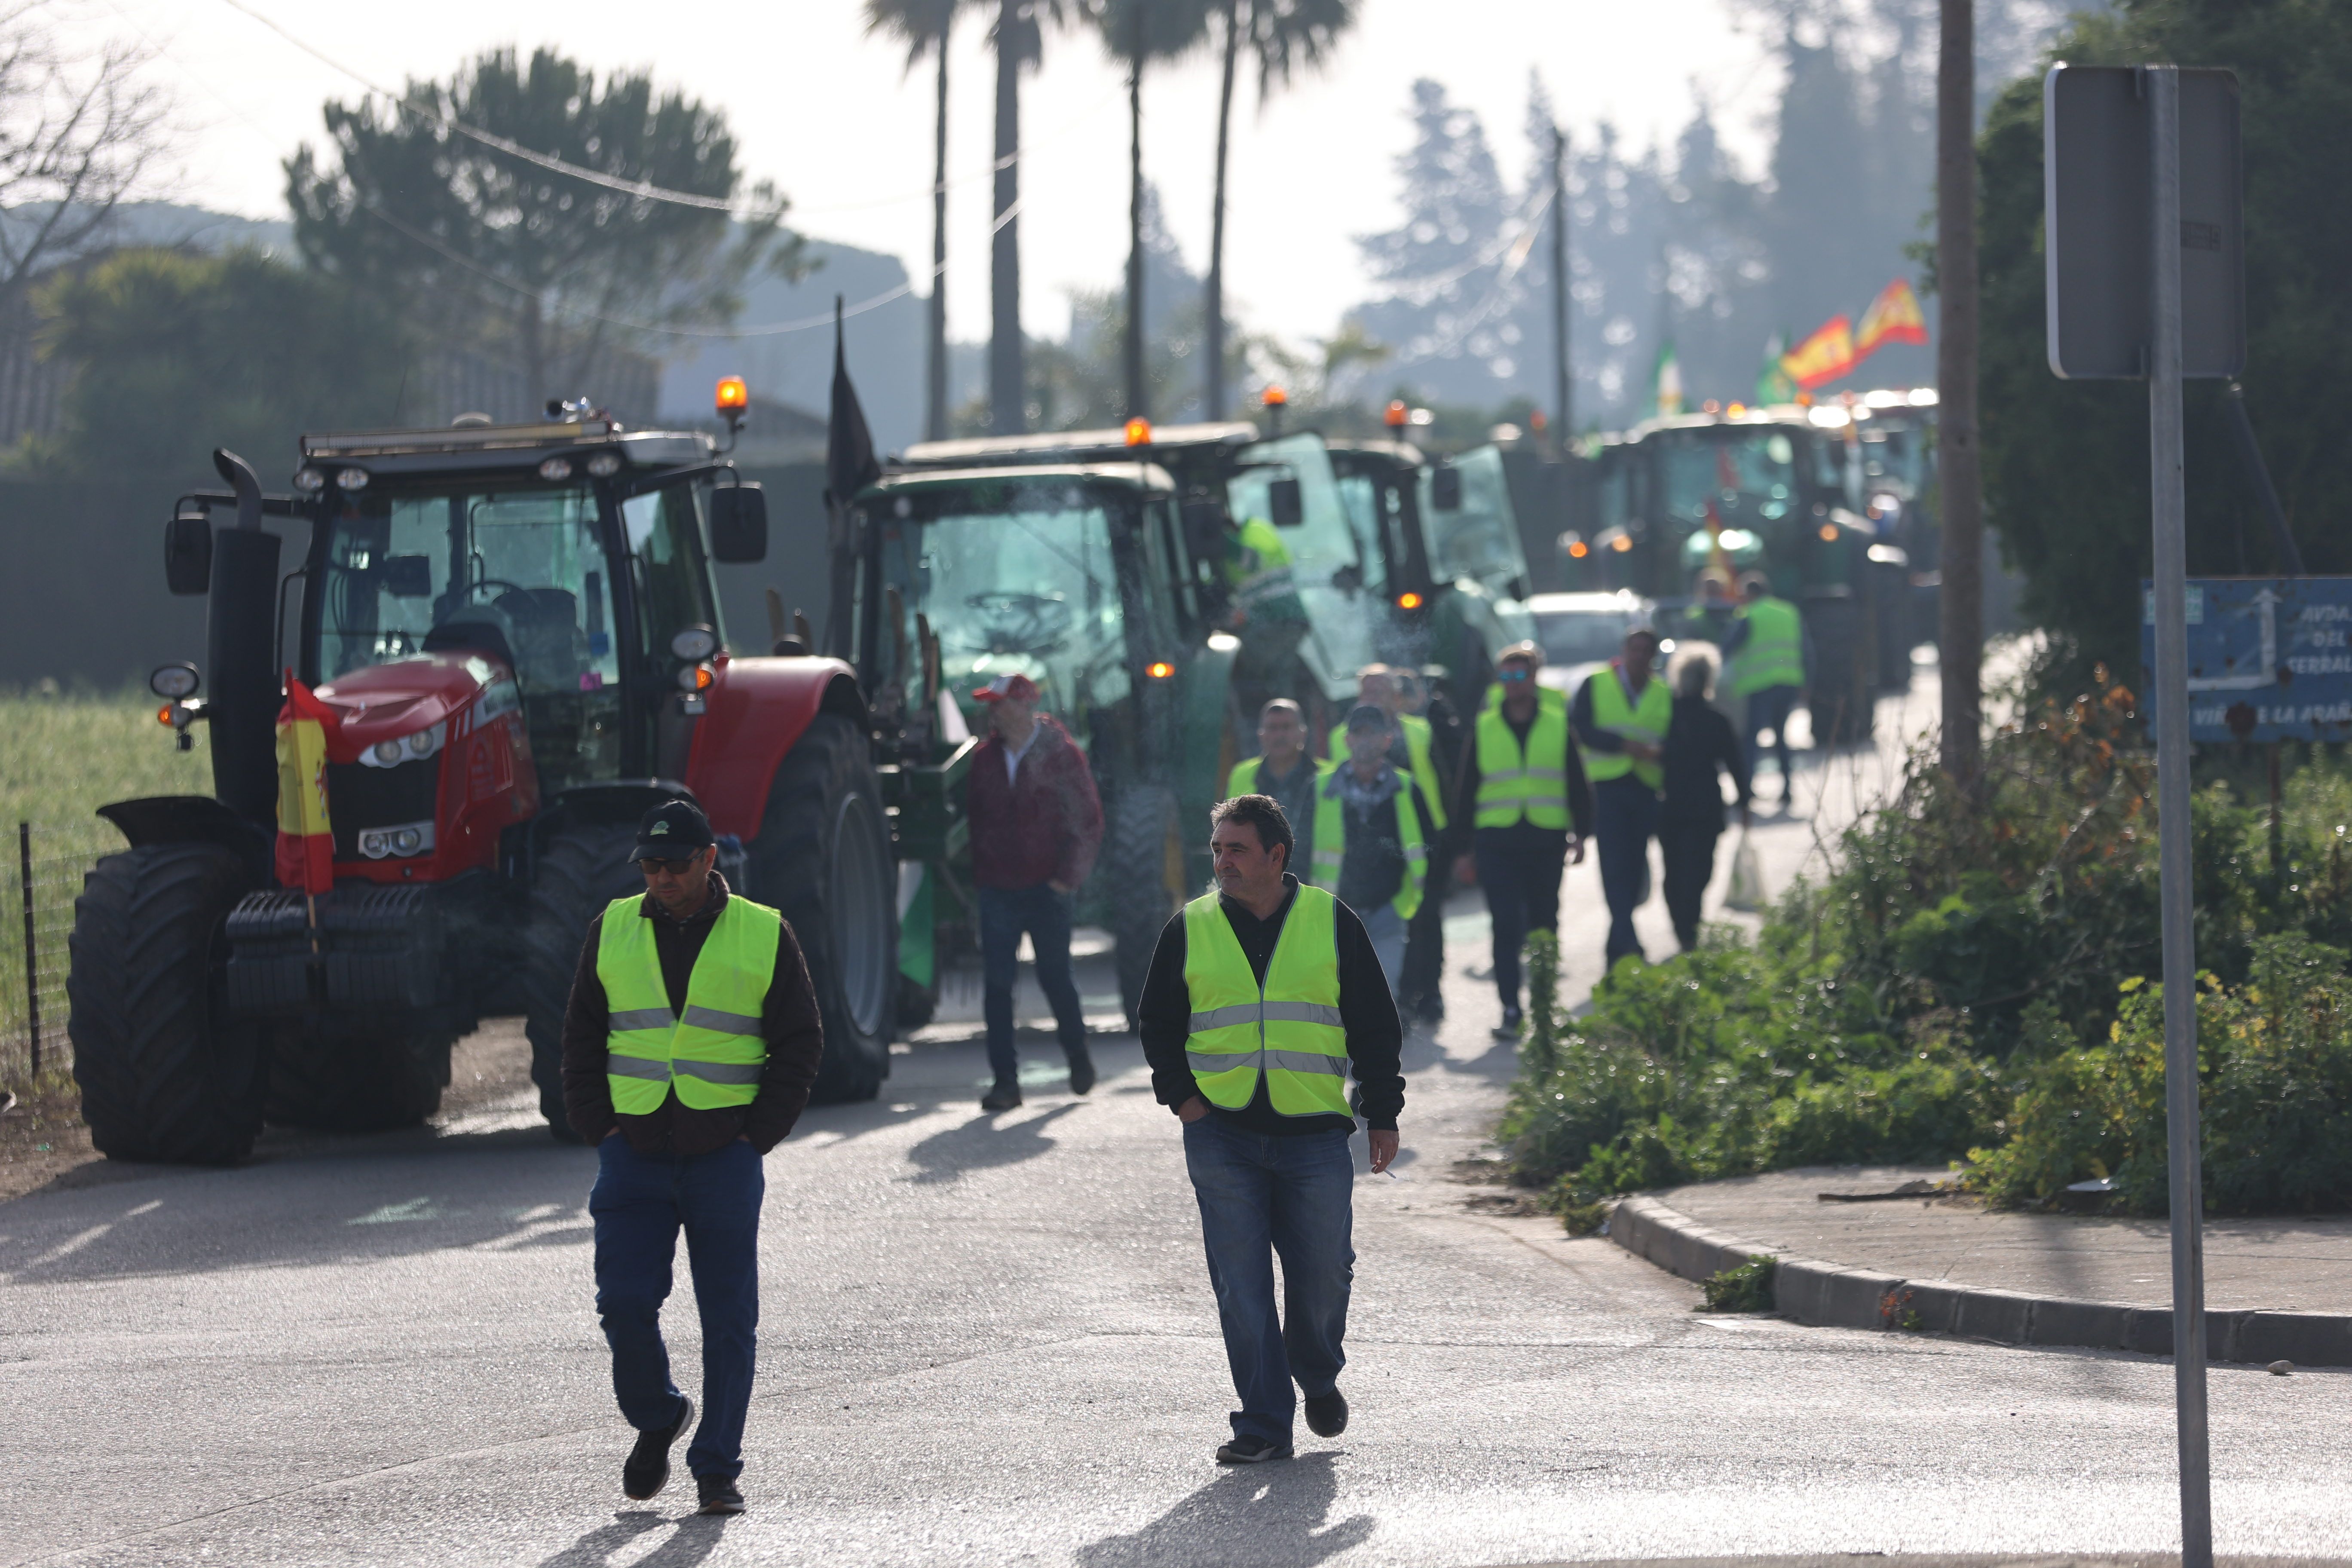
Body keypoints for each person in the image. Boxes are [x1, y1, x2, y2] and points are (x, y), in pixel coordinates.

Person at [561, 797, 827, 1517]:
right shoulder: (610, 928)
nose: (661, 878)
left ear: (709, 860)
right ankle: (657, 1414)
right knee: (622, 1302)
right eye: (650, 866)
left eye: (675, 864)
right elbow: (581, 1040)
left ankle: (716, 1468)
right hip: (634, 1154)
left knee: (727, 1318)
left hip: (723, 1156)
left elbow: (801, 1041)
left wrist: (756, 1135)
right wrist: (601, 1128)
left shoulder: (763, 932)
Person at [1137, 794, 1405, 1464]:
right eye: (1218, 849)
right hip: (1221, 1135)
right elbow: (1157, 1024)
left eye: (1237, 849)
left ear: (1276, 856)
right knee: (1241, 1282)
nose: (1222, 861)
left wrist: (1384, 1111)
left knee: (1324, 1272)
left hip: (1313, 1134)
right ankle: (1262, 1422)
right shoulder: (1191, 926)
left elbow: (1374, 1021)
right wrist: (1185, 1102)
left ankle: (1315, 1374)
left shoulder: (1329, 919)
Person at [966, 672, 1105, 1112]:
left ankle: (1078, 1059)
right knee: (997, 987)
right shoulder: (985, 759)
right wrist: (984, 875)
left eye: (1001, 702)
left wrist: (1066, 879)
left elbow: (1087, 819)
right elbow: (975, 819)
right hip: (998, 890)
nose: (994, 710)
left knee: (1056, 978)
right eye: (991, 703)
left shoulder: (1062, 755)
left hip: (1048, 889)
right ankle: (1006, 1083)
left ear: (1024, 705)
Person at [1457, 642, 1592, 1038]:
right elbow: (1466, 789)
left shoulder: (1556, 722)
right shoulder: (1485, 726)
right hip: (1497, 841)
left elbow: (1578, 782)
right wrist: (1463, 849)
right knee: (1505, 925)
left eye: (1522, 675)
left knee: (1544, 925)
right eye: (1507, 676)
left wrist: (1581, 834)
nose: (1514, 684)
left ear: (1534, 678)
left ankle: (1546, 1008)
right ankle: (1511, 1011)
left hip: (1545, 839)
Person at [1311, 703, 1434, 990]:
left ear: (1387, 739)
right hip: (1334, 914)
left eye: (1373, 733)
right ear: (1347, 740)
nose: (1365, 740)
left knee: (1383, 995)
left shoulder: (1406, 787)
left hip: (1388, 911)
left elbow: (1430, 846)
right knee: (1337, 999)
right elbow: (1300, 849)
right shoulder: (1319, 788)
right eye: (1359, 733)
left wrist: (1415, 900)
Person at [1571, 625, 1672, 969]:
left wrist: (1658, 752)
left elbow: (1672, 736)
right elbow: (1580, 728)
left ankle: (1621, 941)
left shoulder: (1661, 692)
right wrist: (1622, 745)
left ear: (1654, 657)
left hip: (1644, 786)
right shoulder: (1596, 683)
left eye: (1647, 651)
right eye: (1635, 649)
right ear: (1623, 651)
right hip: (1607, 787)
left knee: (1634, 864)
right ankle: (1627, 941)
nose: (1640, 656)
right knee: (1614, 865)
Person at [1659, 648, 1753, 952]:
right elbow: (1736, 764)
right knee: (1699, 870)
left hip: (1670, 804)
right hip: (1705, 806)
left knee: (1674, 870)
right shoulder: (1716, 720)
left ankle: (1683, 928)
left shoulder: (1665, 717)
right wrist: (1744, 804)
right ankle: (1690, 926)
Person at [1393, 667, 1467, 1022]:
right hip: (1381, 847)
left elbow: (1447, 777)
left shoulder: (1421, 729)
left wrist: (1452, 837)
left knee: (1426, 919)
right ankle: (1401, 994)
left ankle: (1430, 992)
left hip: (1425, 837)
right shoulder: (1344, 736)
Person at [1326, 665, 1450, 846]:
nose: (1372, 699)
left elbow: (1444, 779)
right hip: (1359, 831)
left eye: (1379, 692)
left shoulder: (1422, 730)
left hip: (1418, 824)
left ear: (1397, 698)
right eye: (1367, 692)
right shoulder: (1338, 737)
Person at [1722, 570, 1807, 804]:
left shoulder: (1749, 615)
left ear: (1750, 593)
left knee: (1751, 738)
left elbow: (1728, 647)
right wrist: (1806, 682)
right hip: (1789, 683)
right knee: (1781, 737)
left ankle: (1746, 790)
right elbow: (1807, 650)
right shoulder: (1789, 612)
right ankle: (1788, 789)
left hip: (1759, 685)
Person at [1225, 698, 1328, 872]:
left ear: (1303, 734)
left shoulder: (1328, 775)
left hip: (1314, 884)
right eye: (1273, 728)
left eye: (1287, 727)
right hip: (1258, 880)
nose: (1280, 735)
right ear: (1261, 735)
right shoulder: (1241, 775)